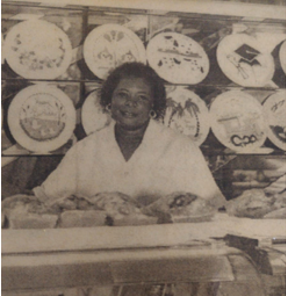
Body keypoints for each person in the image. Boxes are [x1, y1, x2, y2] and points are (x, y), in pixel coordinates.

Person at [33, 62, 225, 208]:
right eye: (122, 95)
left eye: (141, 98)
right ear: (110, 99)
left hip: (163, 252)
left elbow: (212, 206)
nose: (130, 103)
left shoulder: (181, 148)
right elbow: (45, 202)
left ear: (153, 104)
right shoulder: (84, 150)